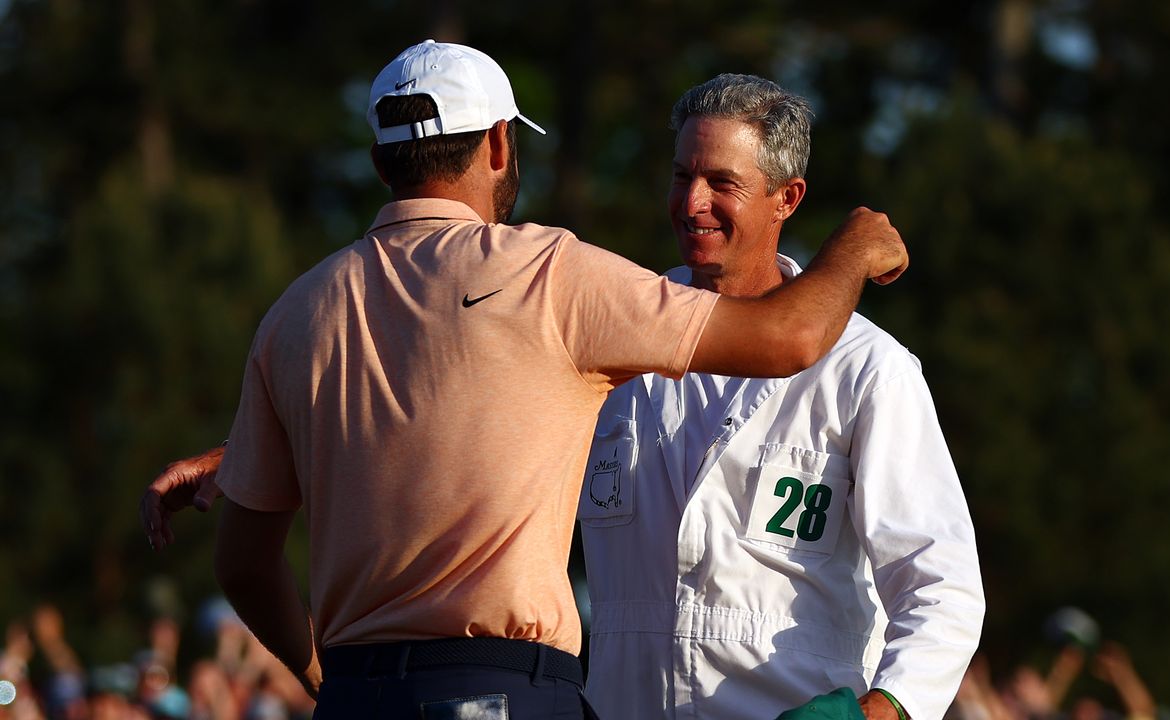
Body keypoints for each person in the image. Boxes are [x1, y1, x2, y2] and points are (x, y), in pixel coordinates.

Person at [139, 41, 909, 718]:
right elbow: (793, 335)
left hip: (352, 693)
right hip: (500, 690)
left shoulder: (297, 313)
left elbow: (251, 555)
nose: (693, 200)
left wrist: (317, 667)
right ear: (501, 145)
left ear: (379, 162)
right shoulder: (548, 279)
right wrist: (855, 246)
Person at [576, 74, 983, 720]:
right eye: (682, 176)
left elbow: (942, 586)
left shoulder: (864, 369)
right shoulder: (605, 343)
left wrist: (879, 713)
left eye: (722, 182)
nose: (692, 203)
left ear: (786, 198)